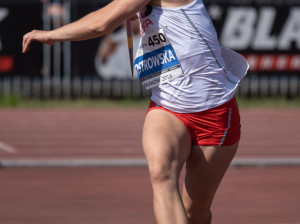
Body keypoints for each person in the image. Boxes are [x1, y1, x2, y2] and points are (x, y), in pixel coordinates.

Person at [22, 0, 248, 223]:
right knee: (160, 172)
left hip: (215, 112)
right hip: (166, 107)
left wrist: (50, 34)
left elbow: (100, 24)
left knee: (195, 213)